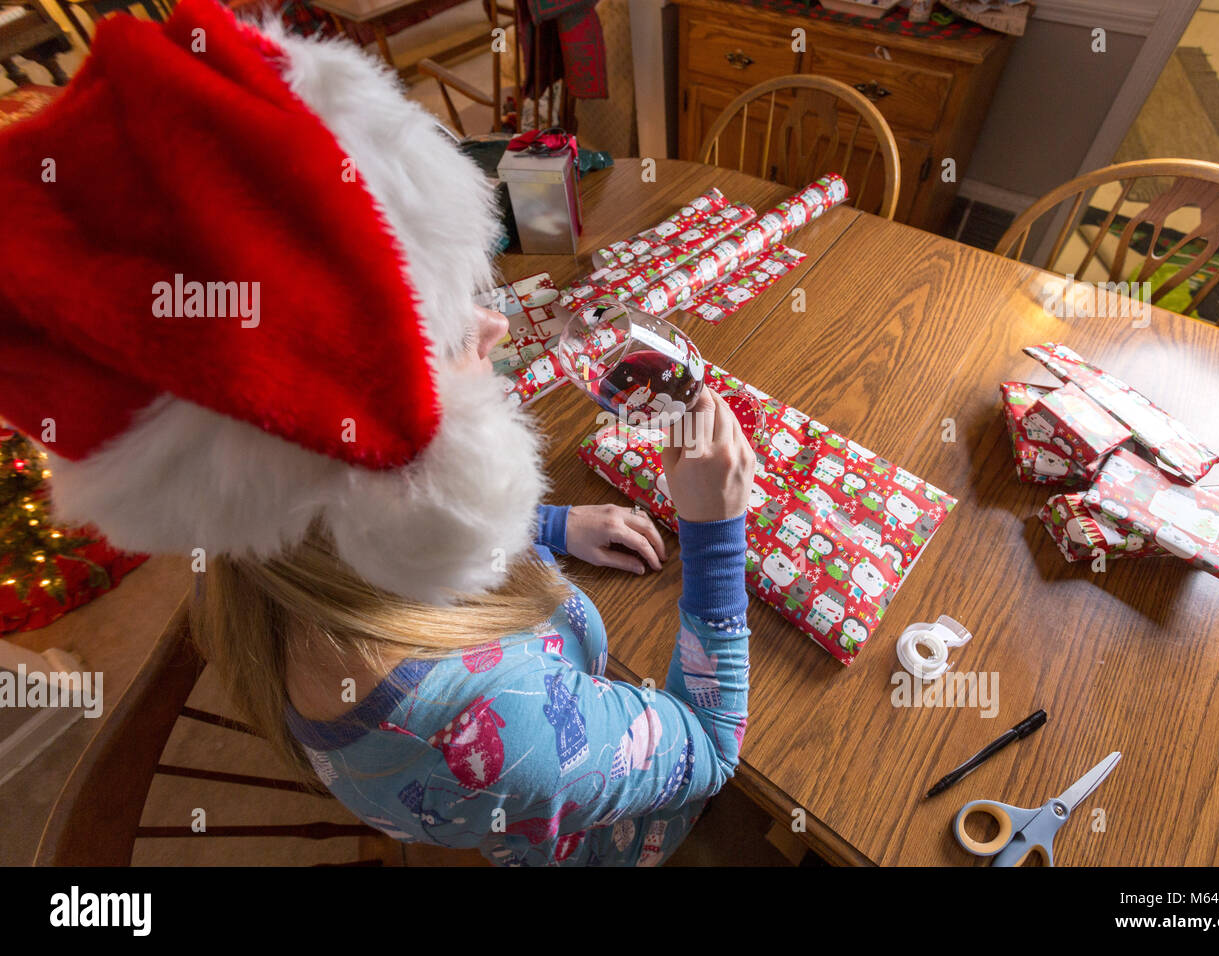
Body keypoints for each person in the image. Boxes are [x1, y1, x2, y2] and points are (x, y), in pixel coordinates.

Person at [0, 0, 755, 865]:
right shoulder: (494, 728)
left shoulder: (274, 559)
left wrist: (553, 526)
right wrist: (714, 531)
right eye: (440, 336)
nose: (495, 328)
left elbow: (385, 538)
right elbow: (709, 747)